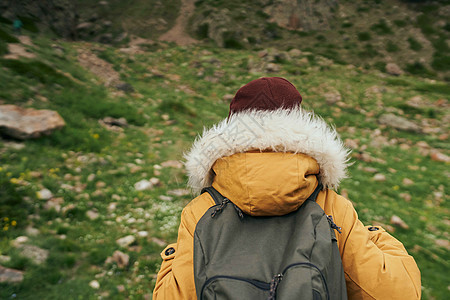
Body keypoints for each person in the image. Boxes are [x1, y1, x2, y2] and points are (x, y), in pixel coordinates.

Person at [153, 77, 421, 299]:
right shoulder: (331, 206)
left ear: (230, 131)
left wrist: (170, 260)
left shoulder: (201, 210)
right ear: (303, 127)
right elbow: (398, 293)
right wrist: (377, 236)